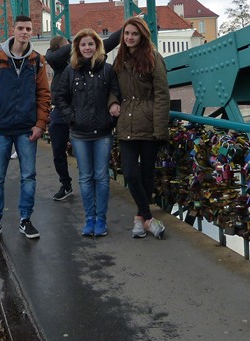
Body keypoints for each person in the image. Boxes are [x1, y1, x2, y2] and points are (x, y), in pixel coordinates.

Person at [0, 15, 51, 241]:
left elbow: (44, 94)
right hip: (0, 128)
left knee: (28, 176)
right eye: (21, 28)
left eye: (28, 29)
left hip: (27, 129)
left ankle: (25, 220)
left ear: (32, 31)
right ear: (14, 30)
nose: (24, 32)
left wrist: (40, 124)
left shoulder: (37, 60)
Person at [54, 29, 121, 237]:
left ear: (97, 46)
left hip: (102, 132)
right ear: (77, 48)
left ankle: (101, 219)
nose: (87, 48)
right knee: (85, 177)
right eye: (83, 44)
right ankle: (89, 218)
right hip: (79, 133)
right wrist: (71, 117)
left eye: (91, 44)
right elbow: (60, 97)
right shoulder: (70, 71)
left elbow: (116, 93)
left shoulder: (108, 70)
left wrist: (111, 117)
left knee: (101, 176)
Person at [113, 16, 169, 240]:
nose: (130, 37)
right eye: (127, 33)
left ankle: (139, 218)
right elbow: (113, 89)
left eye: (134, 34)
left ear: (142, 36)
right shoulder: (120, 59)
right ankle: (148, 218)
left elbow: (162, 95)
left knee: (146, 173)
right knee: (129, 172)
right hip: (126, 123)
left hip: (148, 123)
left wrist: (160, 129)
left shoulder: (153, 58)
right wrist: (112, 102)